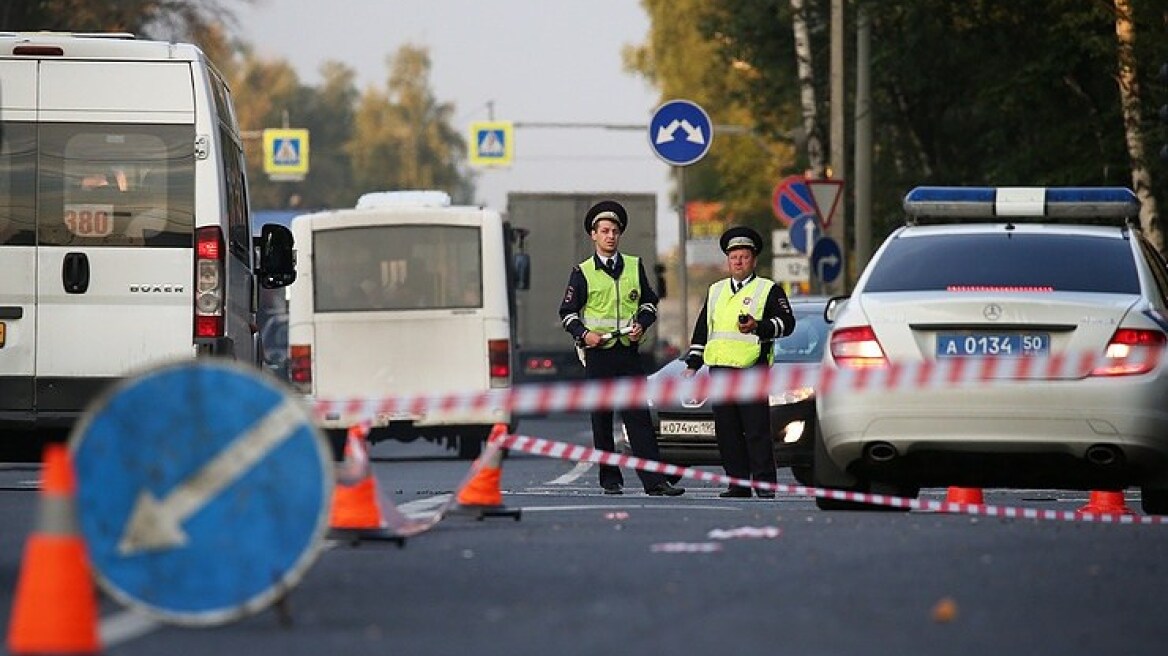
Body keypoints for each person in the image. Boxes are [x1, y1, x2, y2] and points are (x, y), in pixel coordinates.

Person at [559, 200, 684, 497]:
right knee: (601, 419)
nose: (610, 236)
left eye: (614, 231)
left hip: (627, 353)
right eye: (604, 231)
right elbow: (567, 313)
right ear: (594, 235)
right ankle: (610, 478)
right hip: (598, 354)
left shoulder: (633, 265)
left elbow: (650, 303)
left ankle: (654, 482)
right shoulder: (583, 271)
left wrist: (642, 323)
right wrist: (584, 334)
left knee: (639, 418)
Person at [683, 226, 796, 498]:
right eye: (733, 257)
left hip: (751, 370)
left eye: (744, 257)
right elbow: (703, 330)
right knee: (727, 431)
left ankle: (765, 483)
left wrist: (760, 326)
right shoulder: (715, 291)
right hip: (720, 370)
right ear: (727, 260)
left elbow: (787, 324)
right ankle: (738, 483)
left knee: (756, 429)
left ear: (753, 260)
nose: (738, 262)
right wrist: (692, 364)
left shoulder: (768, 289)